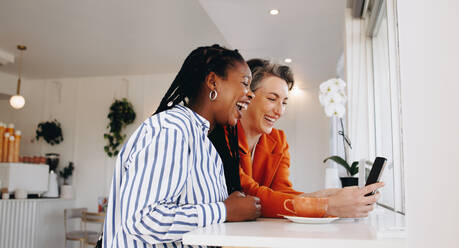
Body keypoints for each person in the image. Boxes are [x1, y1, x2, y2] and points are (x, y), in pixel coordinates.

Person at [102, 45, 261, 248]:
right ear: (213, 81)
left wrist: (230, 206)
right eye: (245, 84)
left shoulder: (204, 142)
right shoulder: (170, 130)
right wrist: (224, 210)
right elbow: (143, 220)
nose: (251, 94)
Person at [210, 58, 384, 218]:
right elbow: (250, 193)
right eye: (272, 99)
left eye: (284, 102)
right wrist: (326, 205)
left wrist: (327, 196)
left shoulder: (278, 140)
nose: (280, 111)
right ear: (247, 96)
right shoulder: (221, 137)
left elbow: (282, 191)